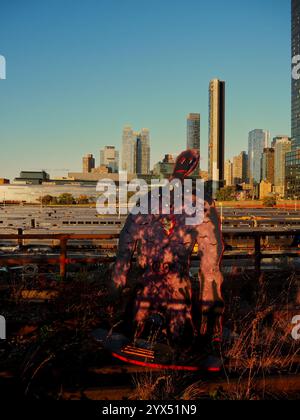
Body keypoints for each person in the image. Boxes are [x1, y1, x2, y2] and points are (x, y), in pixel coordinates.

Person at [112, 150, 224, 364]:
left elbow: (126, 241)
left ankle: (131, 348)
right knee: (178, 322)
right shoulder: (200, 204)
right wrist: (209, 298)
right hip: (176, 277)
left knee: (136, 318)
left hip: (149, 276)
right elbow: (211, 253)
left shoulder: (147, 200)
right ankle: (180, 355)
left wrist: (119, 279)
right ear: (191, 171)